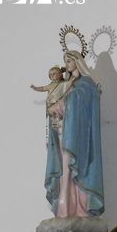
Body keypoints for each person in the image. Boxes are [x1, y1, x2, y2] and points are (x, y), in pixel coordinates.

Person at [44, 50, 104, 218]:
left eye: (69, 61)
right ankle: (65, 207)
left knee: (73, 169)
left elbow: (75, 101)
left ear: (78, 62)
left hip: (79, 139)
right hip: (65, 134)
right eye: (66, 61)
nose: (67, 65)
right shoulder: (68, 83)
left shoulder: (86, 83)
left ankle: (79, 208)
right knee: (64, 172)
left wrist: (56, 107)